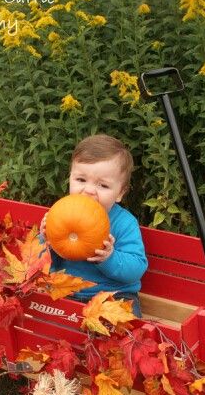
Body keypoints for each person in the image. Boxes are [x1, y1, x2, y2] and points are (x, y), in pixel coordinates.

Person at [41, 134, 148, 317]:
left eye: (103, 185)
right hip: (66, 292)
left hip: (113, 295)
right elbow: (41, 261)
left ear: (120, 193)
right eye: (81, 180)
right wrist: (47, 241)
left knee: (126, 327)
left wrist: (109, 257)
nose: (89, 190)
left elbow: (136, 269)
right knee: (43, 322)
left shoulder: (124, 223)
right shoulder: (61, 213)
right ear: (70, 178)